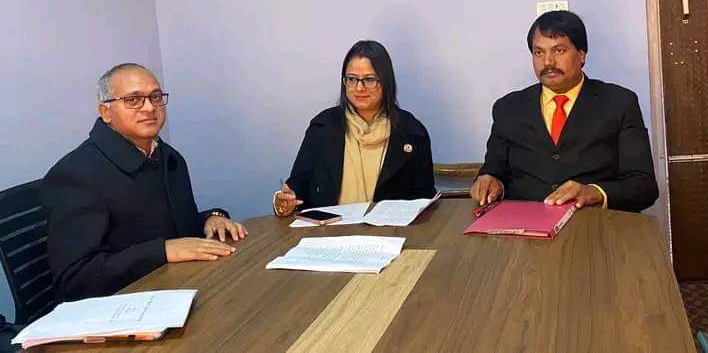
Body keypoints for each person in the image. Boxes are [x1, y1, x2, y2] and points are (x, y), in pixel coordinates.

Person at [43, 63, 248, 301]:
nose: (150, 108)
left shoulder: (168, 157)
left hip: (178, 289)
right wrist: (162, 251)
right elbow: (75, 280)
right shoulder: (75, 174)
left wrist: (211, 218)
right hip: (122, 307)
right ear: (105, 111)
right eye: (133, 100)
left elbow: (172, 229)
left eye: (156, 97)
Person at [471, 11, 659, 212]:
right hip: (526, 224)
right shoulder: (508, 108)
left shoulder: (619, 102)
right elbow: (493, 172)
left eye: (559, 50)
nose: (548, 62)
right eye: (539, 52)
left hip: (594, 222)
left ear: (581, 55)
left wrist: (594, 193)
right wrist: (490, 182)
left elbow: (644, 186)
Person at [274, 40, 436, 215]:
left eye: (369, 80)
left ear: (386, 82)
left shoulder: (412, 133)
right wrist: (285, 201)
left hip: (389, 230)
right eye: (352, 79)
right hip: (329, 228)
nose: (359, 88)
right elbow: (297, 187)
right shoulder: (322, 128)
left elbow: (423, 200)